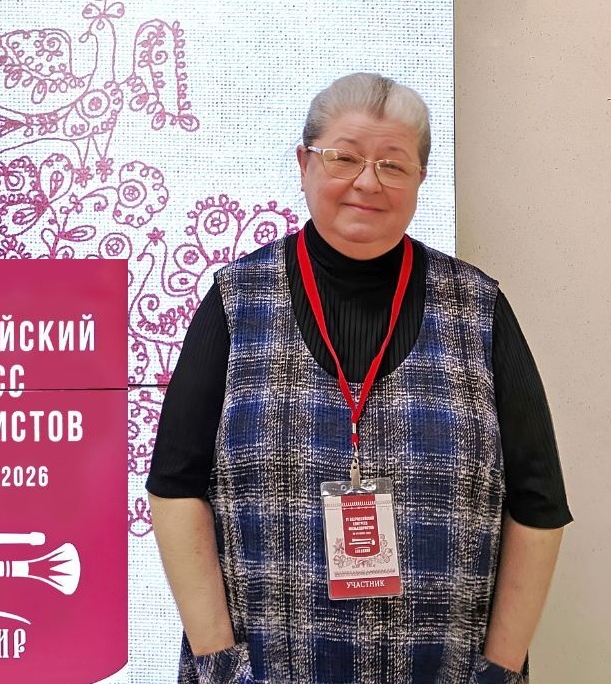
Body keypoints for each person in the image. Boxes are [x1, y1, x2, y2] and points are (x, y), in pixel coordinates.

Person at [147, 72, 571, 684]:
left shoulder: (477, 308)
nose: (368, 182)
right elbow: (175, 486)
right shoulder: (236, 301)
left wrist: (499, 670)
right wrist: (218, 661)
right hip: (263, 670)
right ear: (304, 164)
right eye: (344, 157)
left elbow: (539, 503)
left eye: (393, 165)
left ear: (420, 179)